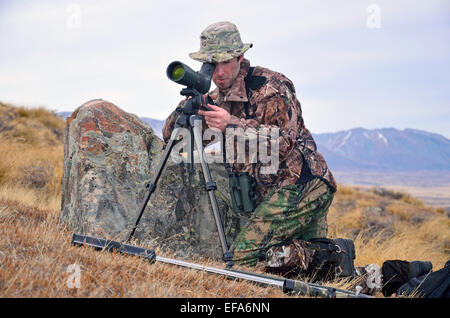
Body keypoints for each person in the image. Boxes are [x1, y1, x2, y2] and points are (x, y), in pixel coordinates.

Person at [162, 21, 337, 270]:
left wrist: (230, 124)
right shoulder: (216, 99)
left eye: (225, 62)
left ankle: (320, 256)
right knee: (310, 269)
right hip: (270, 193)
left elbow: (283, 142)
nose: (218, 72)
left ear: (240, 56)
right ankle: (339, 260)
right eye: (212, 64)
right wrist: (188, 106)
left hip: (302, 185)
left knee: (242, 259)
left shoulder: (270, 87)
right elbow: (171, 137)